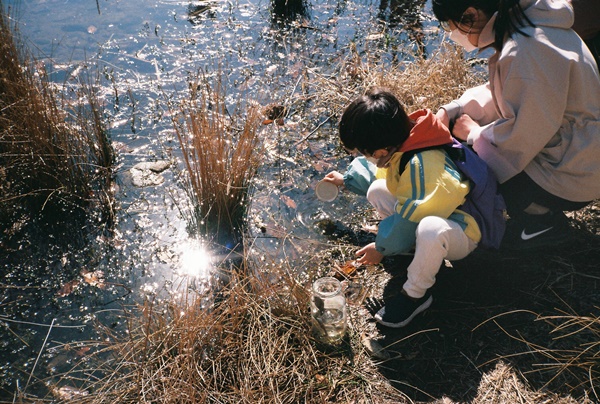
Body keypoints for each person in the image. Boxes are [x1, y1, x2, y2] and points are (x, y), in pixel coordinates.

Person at [322, 87, 505, 328]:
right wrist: (347, 180)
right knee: (377, 190)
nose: (366, 157)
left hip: (466, 226)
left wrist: (381, 248)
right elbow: (382, 175)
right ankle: (414, 251)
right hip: (438, 210)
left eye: (364, 153)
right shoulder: (409, 139)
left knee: (430, 230)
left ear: (381, 151)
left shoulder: (424, 164)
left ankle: (415, 295)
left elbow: (411, 219)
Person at [432, 0, 600, 250]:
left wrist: (474, 134)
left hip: (576, 173)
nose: (452, 33)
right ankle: (539, 210)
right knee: (480, 146)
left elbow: (524, 134)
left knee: (474, 165)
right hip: (581, 155)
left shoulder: (527, 48)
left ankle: (543, 222)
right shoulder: (531, 25)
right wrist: (455, 109)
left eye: (450, 25)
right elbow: (510, 91)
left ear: (470, 15)